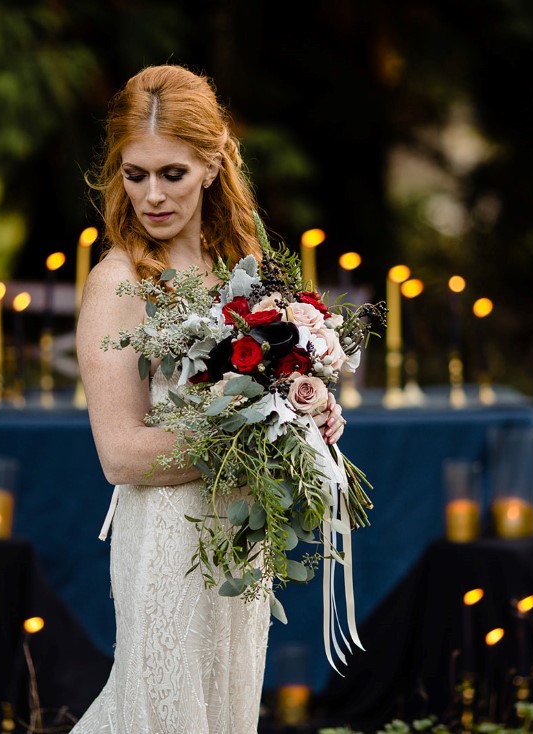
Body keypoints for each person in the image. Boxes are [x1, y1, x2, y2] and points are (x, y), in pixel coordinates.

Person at [72, 64, 344, 733]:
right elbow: (122, 456)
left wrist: (305, 415)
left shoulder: (242, 270)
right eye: (136, 174)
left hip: (241, 540)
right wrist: (254, 432)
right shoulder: (118, 283)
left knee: (224, 714)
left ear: (213, 164)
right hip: (166, 538)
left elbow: (272, 387)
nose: (152, 196)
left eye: (174, 174)